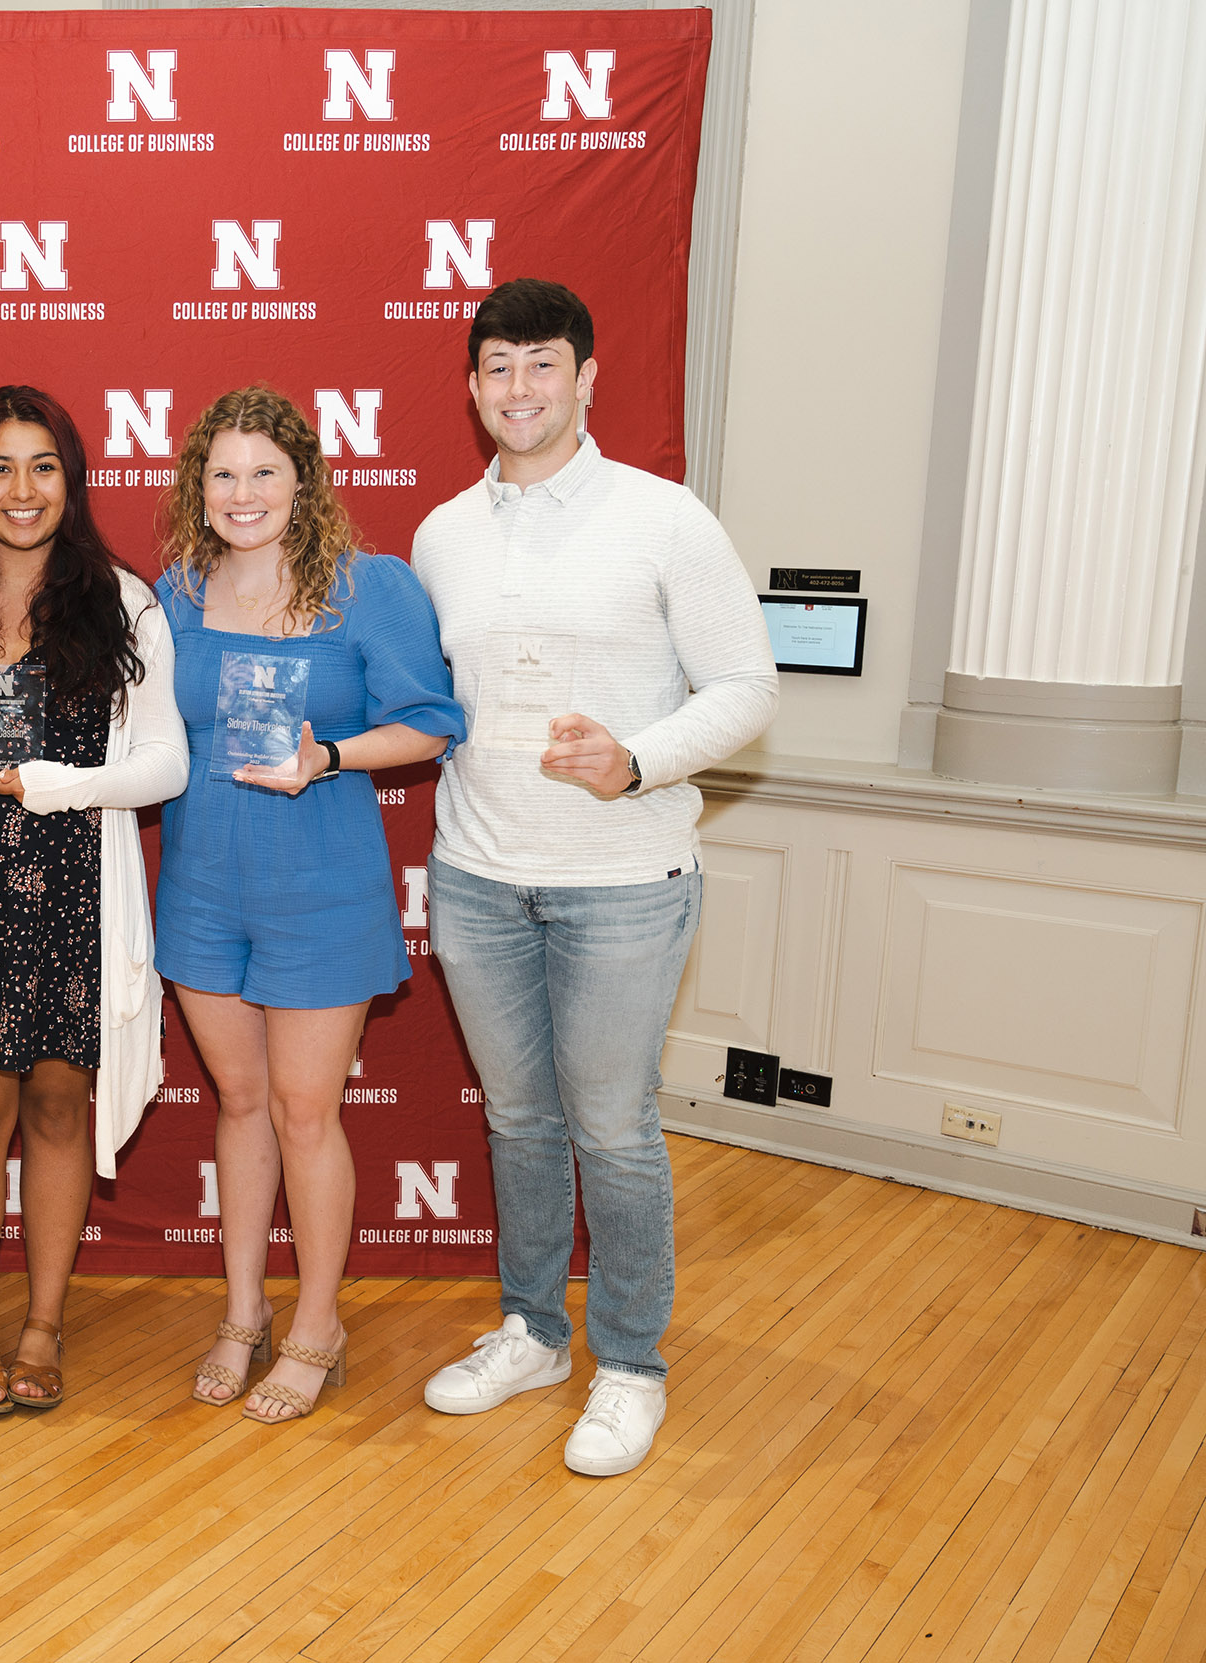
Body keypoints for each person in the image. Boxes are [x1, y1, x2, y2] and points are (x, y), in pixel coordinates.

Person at [410, 278, 778, 1476]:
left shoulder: (665, 517)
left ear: (586, 377)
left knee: (612, 1129)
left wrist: (634, 761)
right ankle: (531, 1328)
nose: (519, 389)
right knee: (518, 1119)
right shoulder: (441, 534)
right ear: (472, 389)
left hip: (624, 880)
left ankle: (629, 1362)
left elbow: (746, 688)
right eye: (498, 368)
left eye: (541, 365)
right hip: (474, 877)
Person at [0, 386, 188, 1416]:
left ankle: (43, 1325)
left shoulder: (123, 603)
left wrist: (74, 784)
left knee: (59, 1106)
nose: (22, 490)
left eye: (43, 466)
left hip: (73, 896)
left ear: (72, 479)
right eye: (1, 467)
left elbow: (166, 766)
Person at [157, 387, 466, 1424]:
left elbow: (427, 725)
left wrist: (328, 755)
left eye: (264, 473)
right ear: (198, 488)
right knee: (239, 1105)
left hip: (321, 887)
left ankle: (318, 1323)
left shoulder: (368, 587)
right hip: (202, 889)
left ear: (304, 481)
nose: (242, 495)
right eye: (223, 474)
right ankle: (241, 1313)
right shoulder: (177, 590)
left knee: (303, 1111)